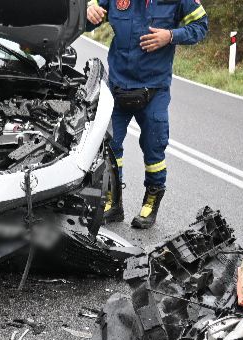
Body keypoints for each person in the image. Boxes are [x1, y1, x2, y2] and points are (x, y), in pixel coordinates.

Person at [87, 0, 208, 228]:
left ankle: (151, 202)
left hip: (154, 91)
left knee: (154, 149)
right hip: (118, 88)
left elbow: (201, 26)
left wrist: (170, 36)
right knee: (109, 148)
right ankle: (113, 202)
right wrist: (88, 10)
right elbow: (87, 20)